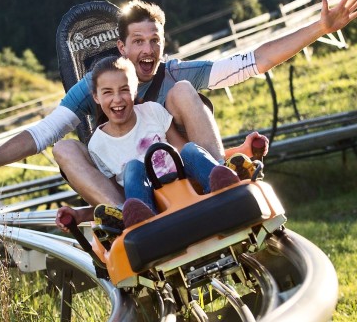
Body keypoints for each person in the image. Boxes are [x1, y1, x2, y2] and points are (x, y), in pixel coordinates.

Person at [0, 0, 357, 208]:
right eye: (138, 42)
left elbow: (250, 62)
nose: (148, 50)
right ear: (122, 49)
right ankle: (126, 216)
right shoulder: (96, 87)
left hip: (183, 165)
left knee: (184, 91)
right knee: (65, 148)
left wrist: (319, 28)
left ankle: (218, 180)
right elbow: (42, 133)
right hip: (129, 183)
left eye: (155, 40)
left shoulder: (173, 72)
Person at [54, 55, 245, 233]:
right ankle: (141, 216)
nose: (117, 99)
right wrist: (83, 213)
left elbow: (178, 148)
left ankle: (220, 181)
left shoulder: (152, 111)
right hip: (146, 196)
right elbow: (113, 191)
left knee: (190, 149)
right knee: (133, 168)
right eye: (107, 92)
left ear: (135, 89)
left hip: (180, 180)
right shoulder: (98, 144)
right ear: (96, 97)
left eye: (124, 90)